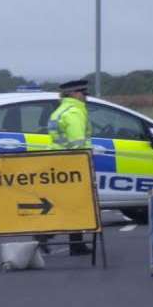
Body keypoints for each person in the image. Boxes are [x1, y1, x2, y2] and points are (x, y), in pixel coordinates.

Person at [48, 79, 93, 255]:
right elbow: (78, 143)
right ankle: (72, 243)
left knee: (66, 204)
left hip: (59, 164)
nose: (85, 97)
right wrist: (85, 162)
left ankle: (74, 243)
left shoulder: (60, 110)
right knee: (76, 205)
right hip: (73, 166)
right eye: (83, 93)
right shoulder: (74, 112)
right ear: (74, 94)